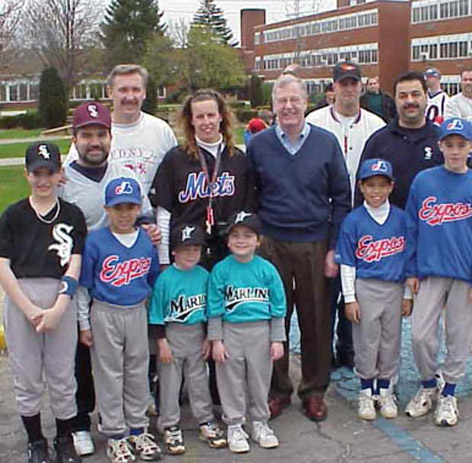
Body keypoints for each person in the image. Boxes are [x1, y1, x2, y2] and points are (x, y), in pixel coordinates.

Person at [248, 73, 351, 422]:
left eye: (294, 100)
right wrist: (256, 242)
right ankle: (277, 390)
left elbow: (341, 197)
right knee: (273, 318)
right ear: (273, 106)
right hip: (272, 243)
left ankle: (314, 390)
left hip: (314, 240)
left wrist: (333, 248)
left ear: (306, 103)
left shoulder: (325, 143)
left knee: (317, 318)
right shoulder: (259, 145)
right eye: (282, 101)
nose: (288, 107)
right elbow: (251, 196)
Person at [59, 101, 156, 457]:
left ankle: (134, 424)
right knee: (84, 362)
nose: (94, 141)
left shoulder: (122, 173)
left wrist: (148, 232)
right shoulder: (64, 179)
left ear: (110, 136)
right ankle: (85, 423)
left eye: (101, 133)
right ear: (76, 138)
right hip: (81, 277)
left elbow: (143, 217)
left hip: (124, 282)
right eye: (87, 134)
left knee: (131, 365)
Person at [404, 118, 472, 427]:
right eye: (449, 144)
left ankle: (450, 393)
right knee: (420, 335)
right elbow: (412, 227)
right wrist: (412, 268)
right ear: (440, 146)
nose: (455, 151)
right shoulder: (424, 181)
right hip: (430, 270)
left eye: (461, 145)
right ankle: (429, 385)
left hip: (465, 273)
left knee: (459, 336)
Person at [0, 142, 87, 463]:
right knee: (27, 374)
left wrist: (59, 307)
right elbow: (2, 266)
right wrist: (29, 309)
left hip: (59, 297)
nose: (44, 179)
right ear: (27, 174)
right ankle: (36, 440)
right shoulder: (13, 215)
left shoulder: (72, 214)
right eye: (37, 172)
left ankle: (65, 437)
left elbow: (75, 263)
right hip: (21, 296)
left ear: (60, 174)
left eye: (50, 172)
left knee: (63, 373)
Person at [307, 61, 386, 369]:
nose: (349, 89)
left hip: (363, 215)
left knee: (359, 289)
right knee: (326, 288)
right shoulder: (314, 122)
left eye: (354, 83)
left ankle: (349, 346)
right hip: (324, 216)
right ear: (334, 87)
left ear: (361, 86)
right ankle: (323, 351)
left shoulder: (375, 125)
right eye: (344, 83)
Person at [77, 177, 161, 463]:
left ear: (139, 208)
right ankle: (115, 433)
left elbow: (152, 282)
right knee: (108, 373)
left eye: (130, 207)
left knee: (138, 369)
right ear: (106, 209)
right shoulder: (96, 241)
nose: (124, 214)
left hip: (136, 310)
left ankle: (138, 427)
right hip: (104, 311)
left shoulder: (146, 241)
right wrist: (84, 323)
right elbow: (83, 287)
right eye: (117, 208)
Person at [335, 158, 411, 421]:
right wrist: (349, 298)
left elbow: (408, 260)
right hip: (365, 287)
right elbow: (347, 262)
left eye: (382, 185)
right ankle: (366, 390)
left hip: (394, 286)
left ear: (391, 186)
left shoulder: (402, 218)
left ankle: (385, 389)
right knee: (366, 341)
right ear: (361, 187)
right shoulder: (353, 220)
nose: (376, 191)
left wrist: (408, 295)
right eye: (370, 185)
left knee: (391, 341)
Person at [150, 88, 256, 269]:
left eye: (211, 115)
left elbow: (249, 212)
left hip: (229, 253)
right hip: (187, 252)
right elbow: (164, 212)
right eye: (199, 117)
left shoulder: (239, 159)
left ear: (221, 116)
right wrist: (164, 260)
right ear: (191, 120)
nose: (206, 122)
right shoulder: (176, 159)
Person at [208, 211, 286, 453]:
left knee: (260, 380)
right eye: (236, 236)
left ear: (258, 240)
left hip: (260, 332)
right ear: (228, 241)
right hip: (230, 331)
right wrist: (216, 340)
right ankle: (234, 424)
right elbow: (214, 307)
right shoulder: (221, 270)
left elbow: (278, 306)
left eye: (248, 235)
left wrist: (277, 338)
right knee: (231, 380)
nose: (241, 241)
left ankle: (260, 422)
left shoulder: (267, 269)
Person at [148, 224, 226, 455]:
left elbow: (211, 309)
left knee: (199, 380)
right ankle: (169, 423)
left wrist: (209, 338)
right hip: (172, 335)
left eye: (196, 249)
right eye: (186, 249)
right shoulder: (165, 279)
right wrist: (161, 343)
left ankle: (205, 420)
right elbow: (155, 315)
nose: (191, 254)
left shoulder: (204, 275)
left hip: (196, 335)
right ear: (174, 251)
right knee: (170, 383)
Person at [65, 64, 178, 195]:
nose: (130, 97)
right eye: (123, 90)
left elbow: (177, 173)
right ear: (110, 92)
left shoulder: (161, 130)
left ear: (144, 92)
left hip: (151, 213)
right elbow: (69, 176)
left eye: (136, 90)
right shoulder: (95, 133)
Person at [357, 71, 443, 209]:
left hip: (433, 225)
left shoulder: (442, 140)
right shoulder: (378, 142)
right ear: (395, 100)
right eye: (403, 96)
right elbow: (361, 191)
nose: (410, 101)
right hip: (390, 227)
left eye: (415, 94)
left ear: (426, 96)